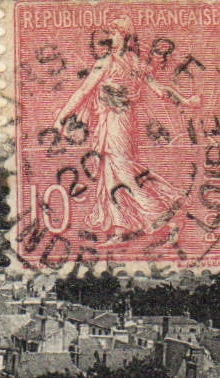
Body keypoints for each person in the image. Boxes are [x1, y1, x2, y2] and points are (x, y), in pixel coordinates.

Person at [52, 16, 200, 243]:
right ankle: (121, 229)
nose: (111, 39)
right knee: (111, 174)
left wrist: (61, 117)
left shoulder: (113, 63)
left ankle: (169, 215)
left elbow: (83, 93)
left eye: (116, 34)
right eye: (110, 34)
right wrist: (186, 101)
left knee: (124, 173)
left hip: (117, 125)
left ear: (126, 36)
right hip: (115, 123)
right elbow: (160, 89)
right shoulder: (130, 63)